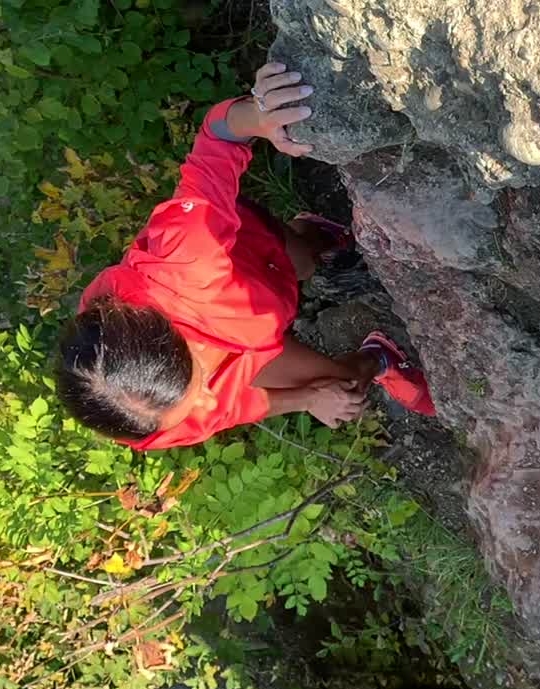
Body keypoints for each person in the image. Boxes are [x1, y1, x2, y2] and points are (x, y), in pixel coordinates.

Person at [55, 63, 434, 451]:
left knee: (303, 259)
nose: (209, 405)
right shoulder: (141, 416)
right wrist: (307, 399)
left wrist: (257, 113)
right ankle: (380, 358)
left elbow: (217, 140)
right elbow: (228, 410)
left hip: (251, 248)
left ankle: (315, 235)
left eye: (199, 386)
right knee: (342, 386)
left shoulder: (187, 256)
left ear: (181, 342)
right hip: (247, 341)